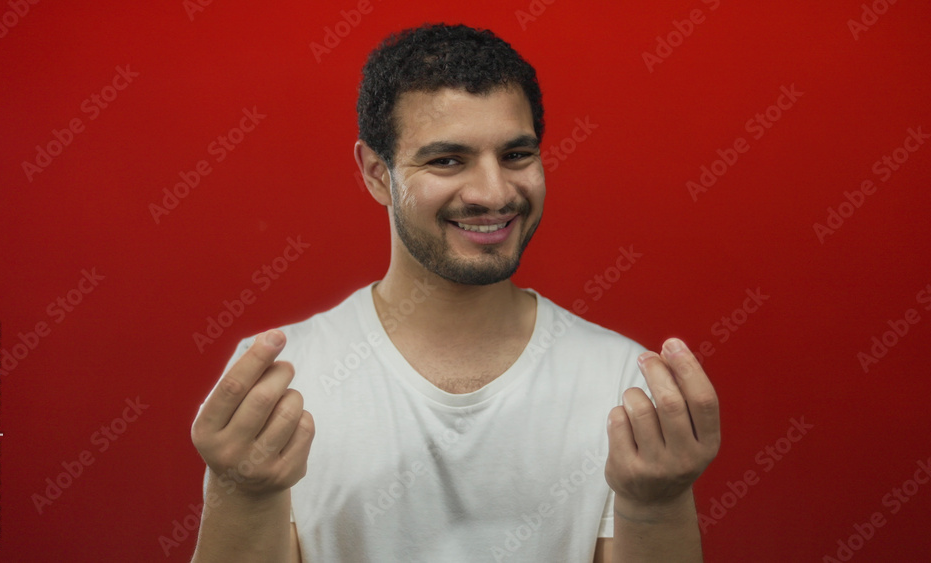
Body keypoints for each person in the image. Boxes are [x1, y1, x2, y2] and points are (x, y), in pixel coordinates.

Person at [190, 23, 720, 563]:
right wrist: (244, 495)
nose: (494, 192)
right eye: (447, 160)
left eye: (516, 155)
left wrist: (658, 505)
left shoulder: (625, 385)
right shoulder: (277, 385)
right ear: (376, 174)